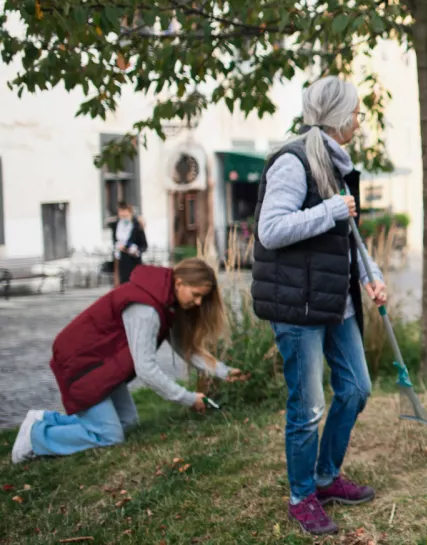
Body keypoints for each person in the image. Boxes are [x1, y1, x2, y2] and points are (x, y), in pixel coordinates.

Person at [251, 76, 386, 535]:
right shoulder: (292, 162)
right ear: (339, 116)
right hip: (298, 305)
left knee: (356, 390)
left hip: (336, 301)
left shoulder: (337, 161)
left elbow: (346, 236)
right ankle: (301, 494)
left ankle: (326, 477)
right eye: (356, 112)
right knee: (307, 408)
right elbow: (271, 230)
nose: (359, 119)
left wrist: (372, 276)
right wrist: (330, 210)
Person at [10, 258, 244, 464]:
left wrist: (224, 371)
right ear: (180, 283)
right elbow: (146, 369)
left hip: (102, 367)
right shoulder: (146, 309)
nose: (199, 303)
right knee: (109, 436)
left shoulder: (163, 300)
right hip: (83, 365)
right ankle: (35, 438)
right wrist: (188, 398)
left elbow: (186, 348)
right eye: (197, 295)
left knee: (127, 421)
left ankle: (43, 418)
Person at [107, 202, 148, 285]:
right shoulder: (116, 225)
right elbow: (115, 241)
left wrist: (134, 249)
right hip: (119, 259)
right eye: (120, 212)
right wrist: (117, 246)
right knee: (120, 285)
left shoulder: (137, 226)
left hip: (132, 260)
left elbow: (144, 245)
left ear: (130, 212)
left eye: (125, 212)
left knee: (132, 284)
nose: (122, 214)